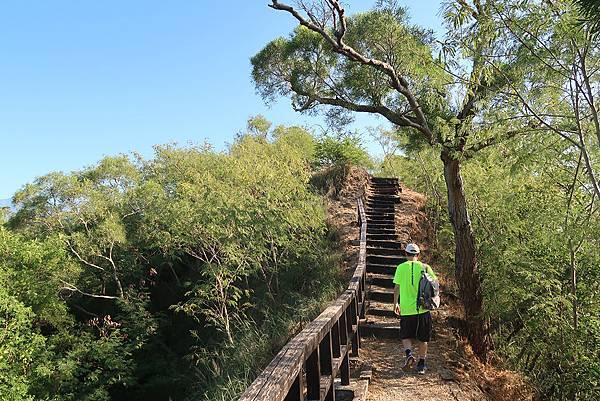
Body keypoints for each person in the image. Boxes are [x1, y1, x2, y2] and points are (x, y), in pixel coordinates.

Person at [392, 243, 437, 374]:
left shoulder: (400, 268)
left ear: (406, 254)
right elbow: (435, 286)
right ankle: (421, 364)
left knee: (405, 335)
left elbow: (397, 288)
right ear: (418, 255)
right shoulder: (426, 267)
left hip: (406, 309)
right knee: (423, 338)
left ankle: (409, 354)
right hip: (423, 309)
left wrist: (395, 303)